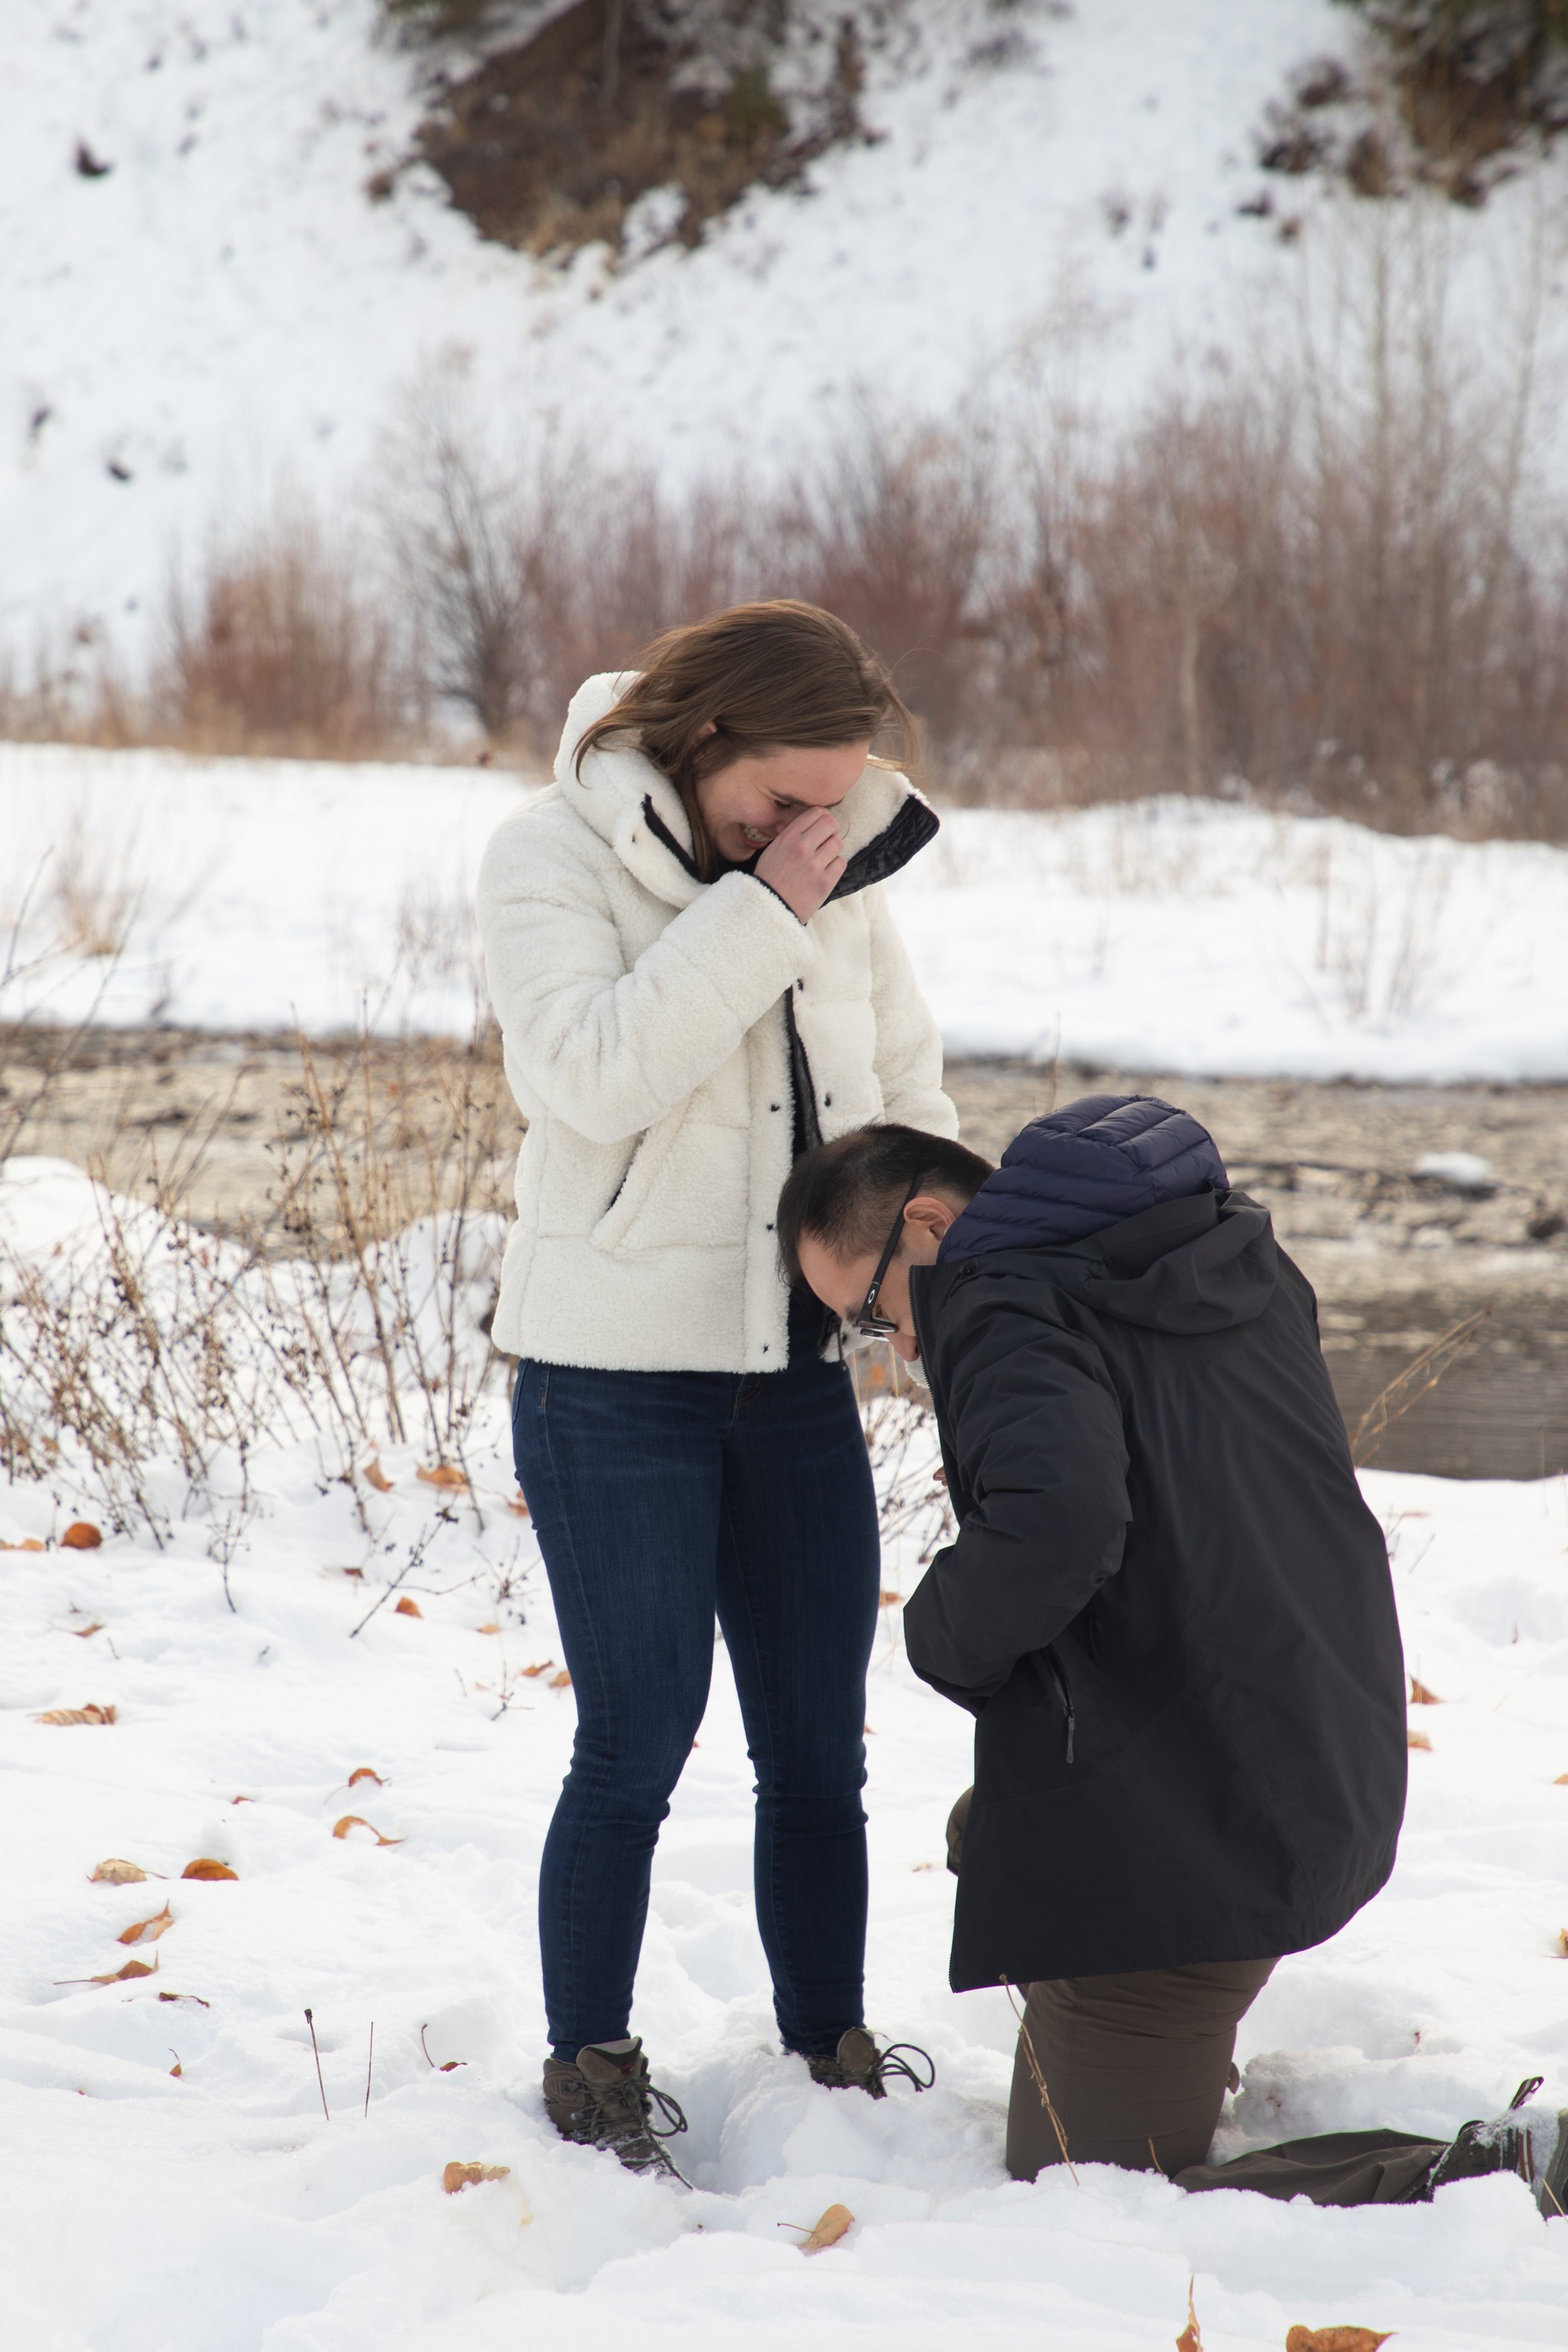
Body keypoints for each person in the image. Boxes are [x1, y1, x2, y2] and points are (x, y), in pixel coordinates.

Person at [778, 1096, 1568, 2215]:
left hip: (1201, 1828)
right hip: (1322, 1755)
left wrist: (932, 1631)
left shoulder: (1002, 1304)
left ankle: (1504, 2171)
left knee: (1083, 2183)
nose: (898, 1345)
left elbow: (1060, 1526)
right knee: (997, 1830)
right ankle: (1170, 2032)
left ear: (929, 1225)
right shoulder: (1206, 1244)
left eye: (872, 1309)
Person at [476, 601, 953, 2181]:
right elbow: (589, 1076)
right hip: (614, 1379)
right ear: (700, 746)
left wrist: (927, 1275)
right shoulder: (547, 858)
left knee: (820, 1745)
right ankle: (592, 2062)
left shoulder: (832, 870)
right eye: (780, 799)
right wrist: (756, 910)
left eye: (834, 800)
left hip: (795, 1382)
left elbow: (896, 1091)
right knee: (637, 1736)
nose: (811, 829)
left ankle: (827, 2040)